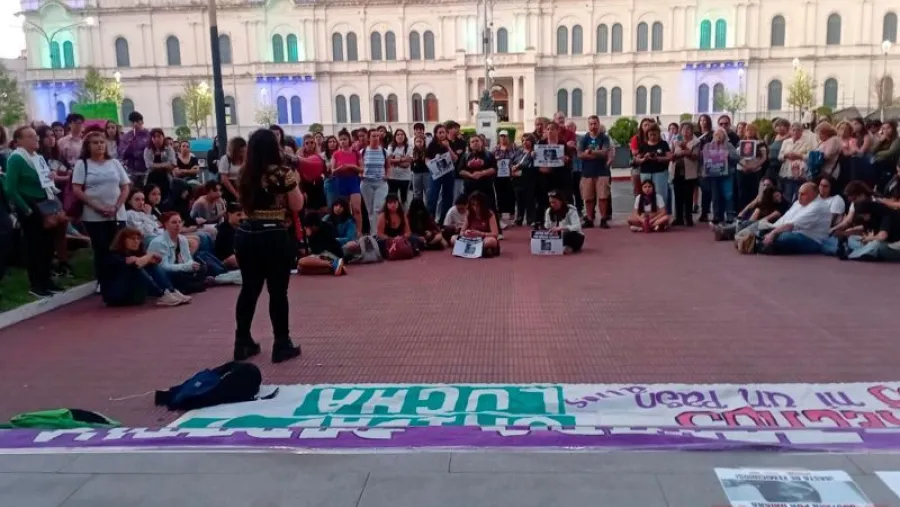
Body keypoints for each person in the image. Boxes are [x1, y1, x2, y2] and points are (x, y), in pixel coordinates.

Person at [234, 128, 305, 363]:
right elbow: (297, 204)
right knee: (277, 291)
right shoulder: (282, 173)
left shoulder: (244, 173)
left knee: (249, 289)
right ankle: (281, 343)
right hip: (273, 234)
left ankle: (242, 341)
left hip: (246, 232)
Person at [3, 126, 66, 297]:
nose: (36, 138)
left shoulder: (38, 158)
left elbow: (44, 181)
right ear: (19, 141)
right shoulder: (16, 159)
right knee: (34, 246)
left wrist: (50, 178)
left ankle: (47, 280)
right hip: (30, 205)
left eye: (35, 135)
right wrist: (27, 209)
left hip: (45, 204)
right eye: (30, 136)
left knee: (48, 245)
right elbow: (10, 188)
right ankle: (36, 284)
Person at [72, 130, 131, 287]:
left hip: (117, 214)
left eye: (102, 142)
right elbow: (77, 189)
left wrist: (116, 206)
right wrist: (97, 207)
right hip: (94, 215)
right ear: (87, 146)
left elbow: (125, 187)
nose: (99, 145)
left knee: (119, 247)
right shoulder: (82, 164)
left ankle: (121, 280)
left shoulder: (114, 163)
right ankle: (104, 282)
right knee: (102, 249)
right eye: (95, 143)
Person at [104, 227, 189, 307]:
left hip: (134, 294)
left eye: (138, 239)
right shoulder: (114, 255)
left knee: (151, 265)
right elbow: (138, 263)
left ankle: (171, 291)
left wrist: (148, 257)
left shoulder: (136, 253)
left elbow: (157, 259)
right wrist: (148, 256)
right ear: (123, 240)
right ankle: (161, 294)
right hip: (116, 295)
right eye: (132, 239)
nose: (136, 241)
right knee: (135, 267)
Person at [578, 115, 613, 228]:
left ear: (598, 124)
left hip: (602, 171)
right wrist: (595, 154)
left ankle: (603, 219)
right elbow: (579, 154)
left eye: (595, 123)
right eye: (591, 124)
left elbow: (605, 152)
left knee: (603, 197)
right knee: (588, 197)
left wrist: (590, 152)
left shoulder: (604, 138)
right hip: (587, 172)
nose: (593, 126)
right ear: (588, 125)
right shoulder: (584, 139)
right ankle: (589, 219)